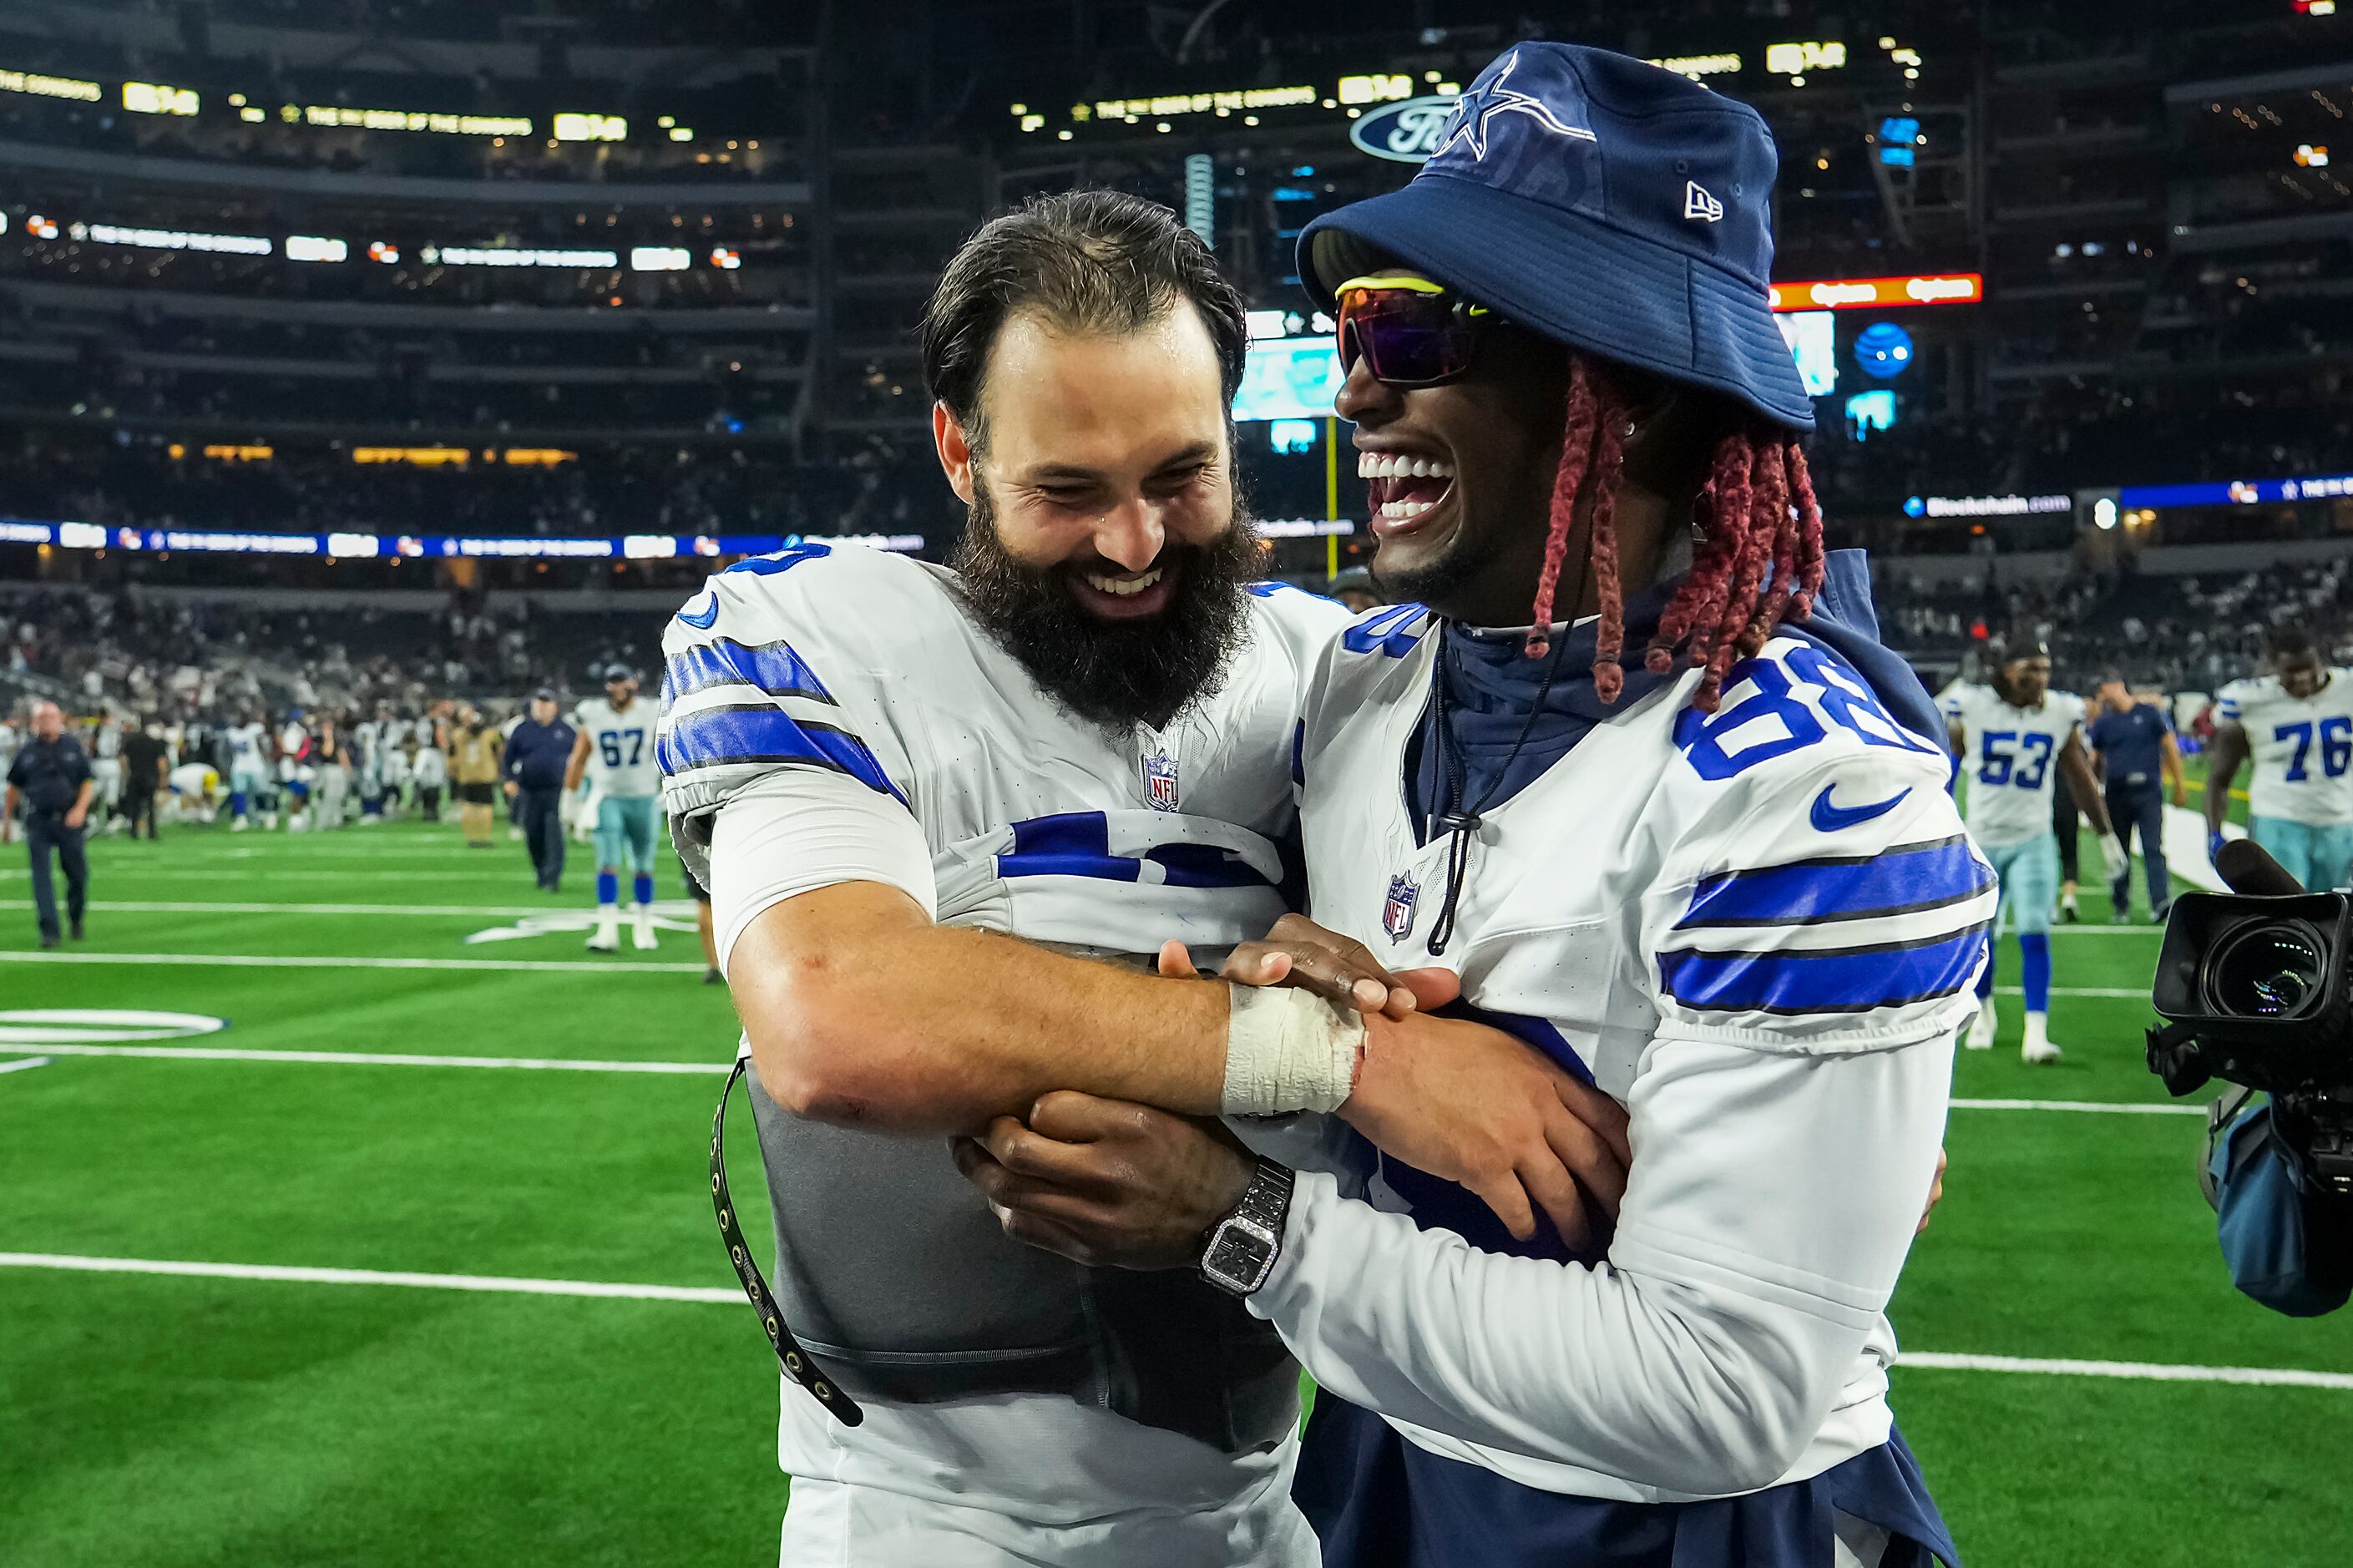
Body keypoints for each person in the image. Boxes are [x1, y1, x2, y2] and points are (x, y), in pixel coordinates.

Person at [956, 48, 1981, 1563]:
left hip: (1689, 1527)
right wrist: (1321, 1036)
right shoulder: (1362, 685)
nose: (1358, 377)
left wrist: (1238, 1215)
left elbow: (1721, 1396)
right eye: (1356, 320)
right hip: (1387, 1477)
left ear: (1627, 392)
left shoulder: (1813, 798)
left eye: (1419, 327)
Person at [661, 189, 1622, 1566]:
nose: (1132, 544)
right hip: (922, 1518)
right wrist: (1333, 1053)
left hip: (1262, 1509)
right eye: (1066, 490)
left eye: (1181, 476)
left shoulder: (1337, 673)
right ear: (956, 449)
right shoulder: (813, 630)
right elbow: (832, 1012)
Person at [1947, 637, 2127, 1062]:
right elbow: (1947, 766)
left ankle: (2036, 1032)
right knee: (1981, 938)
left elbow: (2080, 776)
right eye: (2031, 668)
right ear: (2006, 670)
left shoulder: (2059, 713)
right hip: (1981, 838)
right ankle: (1984, 1014)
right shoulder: (1971, 706)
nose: (2040, 678)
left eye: (2046, 669)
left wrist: (2106, 835)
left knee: (2035, 933)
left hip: (2033, 837)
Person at [2204, 626, 2353, 892]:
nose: (2302, 678)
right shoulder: (2251, 700)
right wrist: (2213, 833)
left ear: (2322, 660)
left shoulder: (2348, 687)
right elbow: (2220, 777)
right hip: (2278, 817)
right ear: (2275, 669)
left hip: (2342, 820)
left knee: (2336, 917)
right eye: (2291, 671)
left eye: (2308, 667)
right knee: (2284, 916)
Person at [568, 665, 661, 950]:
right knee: (607, 863)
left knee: (643, 865)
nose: (616, 688)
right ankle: (607, 929)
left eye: (621, 682)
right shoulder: (593, 714)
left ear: (633, 684)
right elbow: (579, 756)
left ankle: (644, 925)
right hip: (607, 797)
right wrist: (571, 801)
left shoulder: (652, 710)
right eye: (612, 683)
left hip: (644, 797)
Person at [2087, 669, 2186, 920]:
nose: (2101, 696)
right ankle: (2120, 904)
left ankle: (2160, 902)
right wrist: (2093, 796)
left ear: (2117, 685)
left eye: (2103, 690)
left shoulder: (2149, 714)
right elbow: (2095, 761)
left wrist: (2180, 785)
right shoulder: (2104, 722)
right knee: (2120, 851)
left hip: (2148, 792)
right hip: (2116, 793)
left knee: (2153, 847)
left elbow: (2170, 748)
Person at [3, 701, 94, 948]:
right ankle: (49, 930)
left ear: (60, 720)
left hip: (69, 819)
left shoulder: (73, 748)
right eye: (43, 718)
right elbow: (14, 787)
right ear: (36, 722)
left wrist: (80, 809)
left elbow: (87, 781)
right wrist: (6, 821)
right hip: (39, 819)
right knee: (40, 876)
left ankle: (75, 918)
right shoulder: (27, 752)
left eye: (52, 717)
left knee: (77, 875)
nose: (47, 722)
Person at [505, 688, 576, 893]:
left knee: (554, 833)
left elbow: (578, 757)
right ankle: (540, 870)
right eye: (538, 703)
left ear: (554, 707)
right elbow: (508, 757)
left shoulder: (565, 730)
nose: (542, 707)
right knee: (533, 833)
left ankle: (552, 877)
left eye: (546, 703)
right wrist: (509, 779)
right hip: (529, 789)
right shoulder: (522, 730)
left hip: (556, 790)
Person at [448, 703, 503, 849]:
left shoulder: (457, 735)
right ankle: (484, 837)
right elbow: (500, 751)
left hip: (466, 775)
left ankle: (471, 837)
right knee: (486, 806)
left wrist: (454, 771)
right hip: (486, 774)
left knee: (468, 806)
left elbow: (451, 757)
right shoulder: (491, 734)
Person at [119, 712, 168, 840]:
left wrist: (126, 774)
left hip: (135, 775)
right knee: (151, 806)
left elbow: (124, 759)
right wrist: (163, 778)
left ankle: (133, 831)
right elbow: (161, 762)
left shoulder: (131, 741)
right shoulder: (155, 743)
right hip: (150, 777)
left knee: (134, 805)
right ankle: (152, 832)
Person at [225, 708, 275, 831]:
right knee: (238, 792)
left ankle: (266, 815)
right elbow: (229, 750)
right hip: (239, 766)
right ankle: (241, 818)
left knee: (261, 791)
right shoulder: (231, 732)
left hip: (255, 765)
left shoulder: (255, 729)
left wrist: (266, 758)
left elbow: (263, 742)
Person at [311, 714, 354, 831]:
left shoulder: (338, 737)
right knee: (328, 797)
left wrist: (347, 766)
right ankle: (322, 823)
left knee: (339, 796)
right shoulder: (319, 738)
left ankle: (336, 822)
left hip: (338, 769)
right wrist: (328, 738)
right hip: (327, 768)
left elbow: (341, 752)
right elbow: (327, 752)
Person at [89, 709, 124, 834]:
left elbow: (92, 744)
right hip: (113, 762)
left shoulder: (99, 728)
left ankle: (94, 819)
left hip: (101, 762)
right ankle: (112, 818)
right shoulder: (117, 728)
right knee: (111, 794)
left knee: (97, 791)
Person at [412, 717, 448, 822]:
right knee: (427, 780)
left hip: (431, 751)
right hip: (430, 751)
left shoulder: (424, 723)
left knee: (432, 781)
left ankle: (431, 810)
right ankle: (429, 810)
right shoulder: (427, 723)